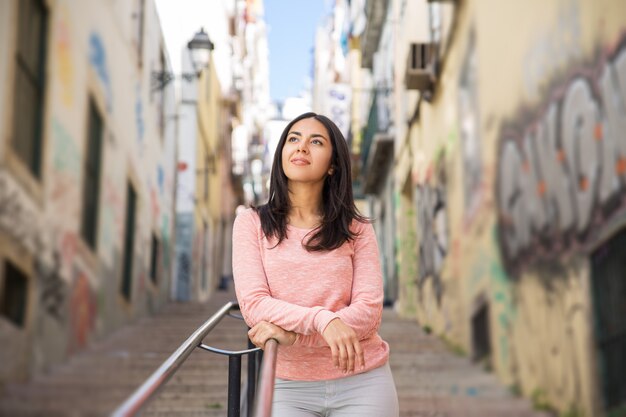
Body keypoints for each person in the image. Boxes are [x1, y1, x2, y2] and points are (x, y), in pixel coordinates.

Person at [232, 112, 399, 416]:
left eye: (316, 141)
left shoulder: (357, 228)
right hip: (285, 383)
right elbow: (255, 305)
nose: (302, 147)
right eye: (293, 139)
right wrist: (325, 321)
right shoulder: (251, 223)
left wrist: (296, 336)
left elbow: (369, 312)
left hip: (362, 377)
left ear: (333, 165)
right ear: (281, 152)